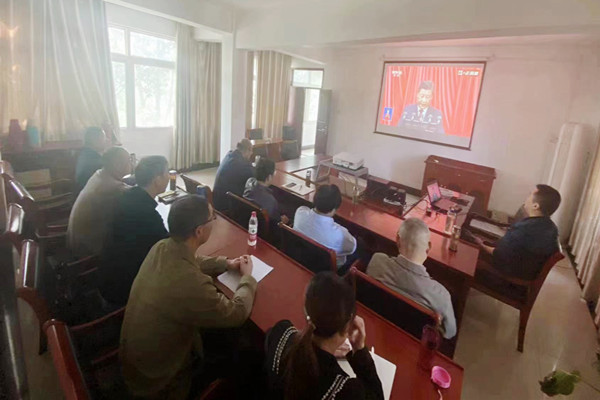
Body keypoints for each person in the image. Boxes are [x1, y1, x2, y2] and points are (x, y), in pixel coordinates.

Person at [120, 195, 257, 399]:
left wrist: (226, 263)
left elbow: (192, 260)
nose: (215, 221)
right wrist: (248, 278)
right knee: (243, 357)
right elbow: (236, 313)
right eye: (212, 218)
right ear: (199, 231)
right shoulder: (191, 283)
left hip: (136, 365)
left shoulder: (161, 247)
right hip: (160, 384)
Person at [265, 272, 383, 400]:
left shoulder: (281, 332)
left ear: (307, 309)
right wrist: (359, 350)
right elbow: (377, 396)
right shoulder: (346, 390)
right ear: (347, 327)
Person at [366, 218, 456, 339]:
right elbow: (450, 333)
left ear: (397, 240)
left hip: (375, 329)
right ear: (428, 247)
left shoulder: (376, 261)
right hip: (413, 344)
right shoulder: (441, 296)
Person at [99, 155, 170, 306]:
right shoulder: (148, 215)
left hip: (108, 274)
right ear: (157, 180)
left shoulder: (128, 196)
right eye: (167, 173)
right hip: (126, 287)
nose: (169, 177)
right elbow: (169, 250)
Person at [473, 184, 561, 280]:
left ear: (535, 206)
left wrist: (481, 245)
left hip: (505, 276)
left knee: (467, 245)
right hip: (524, 270)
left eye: (530, 195)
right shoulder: (551, 227)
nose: (527, 198)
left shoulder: (525, 229)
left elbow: (499, 254)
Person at [67, 147, 131, 257]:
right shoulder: (113, 188)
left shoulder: (99, 174)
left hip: (76, 240)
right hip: (88, 251)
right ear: (117, 165)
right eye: (129, 160)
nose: (132, 163)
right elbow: (137, 194)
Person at [293, 184, 357, 269]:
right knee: (361, 246)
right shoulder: (340, 235)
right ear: (335, 208)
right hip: (328, 270)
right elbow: (352, 248)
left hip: (301, 260)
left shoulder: (300, 212)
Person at [243, 158, 289, 225]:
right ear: (269, 177)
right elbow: (275, 223)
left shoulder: (249, 181)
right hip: (265, 227)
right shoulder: (270, 200)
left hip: (246, 219)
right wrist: (282, 220)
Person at [213, 139, 254, 212]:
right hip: (225, 205)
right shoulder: (241, 164)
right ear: (248, 150)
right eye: (251, 151)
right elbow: (254, 174)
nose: (252, 153)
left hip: (217, 199)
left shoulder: (229, 155)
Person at [75, 127, 108, 194]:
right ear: (95, 140)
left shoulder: (86, 153)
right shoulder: (94, 159)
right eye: (103, 138)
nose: (106, 140)